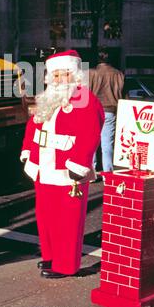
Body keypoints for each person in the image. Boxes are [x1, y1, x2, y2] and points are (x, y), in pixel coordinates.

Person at [20, 50, 104, 278]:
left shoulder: (85, 100)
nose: (58, 80)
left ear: (75, 76)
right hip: (43, 169)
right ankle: (50, 256)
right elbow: (32, 128)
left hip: (68, 171)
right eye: (54, 75)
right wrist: (28, 153)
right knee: (46, 217)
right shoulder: (47, 99)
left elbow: (90, 134)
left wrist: (78, 165)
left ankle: (66, 265)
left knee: (68, 222)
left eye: (63, 74)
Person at [89, 47, 124, 174]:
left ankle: (91, 171)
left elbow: (85, 94)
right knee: (107, 145)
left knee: (91, 142)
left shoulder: (90, 73)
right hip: (110, 111)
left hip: (93, 111)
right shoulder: (118, 74)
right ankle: (107, 173)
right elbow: (122, 93)